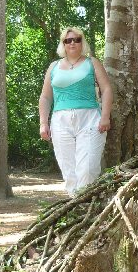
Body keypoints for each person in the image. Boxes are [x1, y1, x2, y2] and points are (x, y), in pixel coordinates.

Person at [39, 27, 113, 197]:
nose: (72, 43)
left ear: (82, 42)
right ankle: (76, 208)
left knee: (87, 168)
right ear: (63, 44)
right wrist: (43, 123)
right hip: (60, 121)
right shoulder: (54, 67)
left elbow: (107, 90)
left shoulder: (92, 63)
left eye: (76, 39)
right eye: (68, 40)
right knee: (69, 171)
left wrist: (105, 117)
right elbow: (45, 97)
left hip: (89, 119)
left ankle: (87, 205)